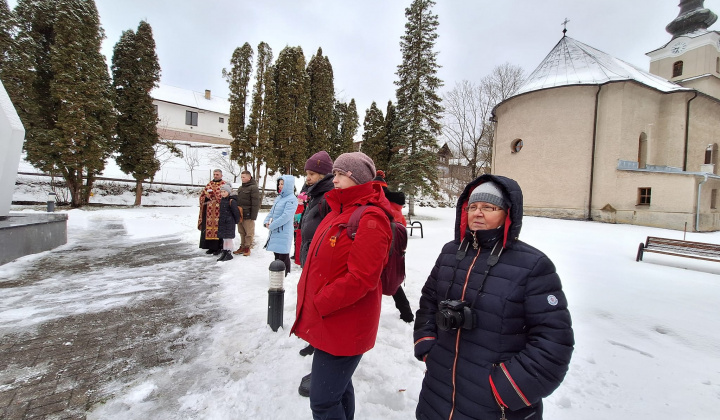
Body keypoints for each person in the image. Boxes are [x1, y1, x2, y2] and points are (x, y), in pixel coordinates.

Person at [413, 174, 574, 420]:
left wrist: (507, 388)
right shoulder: (450, 253)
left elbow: (553, 342)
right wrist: (427, 346)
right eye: (473, 207)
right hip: (439, 390)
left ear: (507, 214)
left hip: (493, 405)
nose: (478, 213)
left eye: (489, 207)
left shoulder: (533, 266)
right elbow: (428, 302)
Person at [290, 152, 393, 420]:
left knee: (323, 402)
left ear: (355, 177)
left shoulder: (370, 218)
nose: (332, 178)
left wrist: (321, 301)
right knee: (340, 389)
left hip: (345, 325)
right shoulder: (339, 210)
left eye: (339, 174)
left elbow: (362, 278)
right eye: (333, 173)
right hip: (330, 321)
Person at [296, 151, 334, 392]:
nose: (308, 178)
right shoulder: (314, 192)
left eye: (311, 174)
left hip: (320, 255)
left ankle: (321, 349)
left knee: (320, 304)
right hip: (309, 249)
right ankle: (313, 340)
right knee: (309, 301)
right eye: (307, 174)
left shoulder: (327, 195)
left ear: (322, 174)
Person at [372, 170, 414, 323]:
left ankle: (369, 314)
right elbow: (401, 227)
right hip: (394, 251)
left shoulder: (376, 204)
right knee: (392, 281)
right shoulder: (395, 206)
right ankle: (406, 312)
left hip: (379, 249)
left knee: (372, 281)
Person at [263, 175, 297, 276]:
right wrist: (266, 221)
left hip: (283, 231)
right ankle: (277, 274)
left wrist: (272, 225)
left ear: (288, 185)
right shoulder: (279, 198)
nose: (280, 186)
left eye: (282, 184)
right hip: (275, 231)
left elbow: (286, 216)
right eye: (279, 184)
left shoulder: (292, 199)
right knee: (277, 254)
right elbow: (271, 212)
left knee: (283, 255)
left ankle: (286, 275)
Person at [198, 169, 227, 255]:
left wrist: (215, 195)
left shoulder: (224, 184)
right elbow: (202, 196)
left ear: (221, 175)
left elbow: (226, 196)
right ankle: (210, 247)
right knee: (209, 229)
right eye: (214, 174)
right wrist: (206, 197)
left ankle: (218, 247)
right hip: (209, 212)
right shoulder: (209, 184)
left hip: (219, 211)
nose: (215, 176)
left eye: (217, 174)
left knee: (218, 229)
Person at [233, 170, 260, 256]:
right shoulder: (241, 188)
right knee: (241, 231)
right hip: (240, 213)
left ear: (249, 177)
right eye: (241, 177)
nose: (242, 179)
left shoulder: (253, 188)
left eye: (244, 177)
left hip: (248, 213)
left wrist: (253, 216)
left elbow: (256, 202)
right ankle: (242, 246)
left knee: (249, 232)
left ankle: (247, 247)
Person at [216, 184, 241, 262]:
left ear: (228, 192)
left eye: (224, 192)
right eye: (221, 192)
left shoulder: (232, 201)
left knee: (228, 238)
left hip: (229, 222)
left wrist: (235, 221)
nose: (223, 193)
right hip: (223, 222)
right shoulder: (223, 200)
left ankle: (229, 252)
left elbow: (236, 212)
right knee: (224, 238)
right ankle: (225, 251)